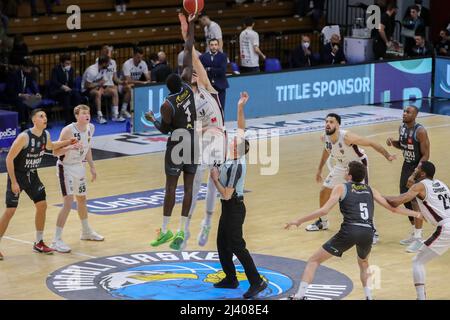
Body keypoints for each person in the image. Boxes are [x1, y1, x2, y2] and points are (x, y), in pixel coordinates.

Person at [285, 161, 421, 300]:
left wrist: (299, 221)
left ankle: (300, 296)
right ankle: (369, 296)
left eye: (346, 170)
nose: (344, 172)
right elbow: (393, 209)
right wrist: (416, 214)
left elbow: (324, 210)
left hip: (349, 230)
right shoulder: (370, 189)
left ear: (349, 176)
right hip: (368, 232)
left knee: (313, 261)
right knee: (364, 263)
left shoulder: (341, 187)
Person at [305, 113, 396, 246]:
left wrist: (387, 155)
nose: (328, 124)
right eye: (326, 122)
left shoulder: (347, 137)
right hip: (342, 166)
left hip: (358, 165)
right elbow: (327, 150)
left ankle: (372, 230)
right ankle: (322, 222)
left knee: (363, 197)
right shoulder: (324, 137)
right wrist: (319, 169)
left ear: (338, 125)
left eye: (331, 122)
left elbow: (371, 143)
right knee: (324, 190)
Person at [210, 91, 268, 299]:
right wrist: (240, 107)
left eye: (234, 142)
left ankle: (257, 281)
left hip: (234, 206)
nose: (232, 140)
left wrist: (215, 178)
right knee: (221, 242)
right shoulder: (236, 151)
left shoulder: (236, 165)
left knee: (236, 245)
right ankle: (231, 278)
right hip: (229, 208)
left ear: (237, 149)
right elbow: (242, 128)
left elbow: (226, 195)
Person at [147, 13, 198, 251]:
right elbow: (188, 51)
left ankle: (165, 230)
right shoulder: (188, 85)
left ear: (167, 88)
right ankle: (182, 230)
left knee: (170, 188)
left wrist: (151, 120)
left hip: (177, 141)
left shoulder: (166, 105)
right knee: (188, 189)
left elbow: (164, 128)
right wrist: (191, 23)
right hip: (193, 141)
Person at [0, 109, 79, 260]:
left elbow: (51, 146)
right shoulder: (24, 137)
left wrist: (68, 142)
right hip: (17, 176)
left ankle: (39, 242)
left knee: (42, 205)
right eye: (41, 116)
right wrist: (14, 182)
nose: (45, 118)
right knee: (10, 211)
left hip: (32, 175)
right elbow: (9, 159)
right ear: (34, 120)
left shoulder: (45, 135)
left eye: (46, 116)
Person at [384, 161, 450, 300]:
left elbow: (397, 201)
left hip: (446, 227)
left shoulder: (420, 186)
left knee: (417, 262)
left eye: (418, 168)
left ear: (423, 173)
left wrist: (376, 196)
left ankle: (421, 298)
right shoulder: (441, 184)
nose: (415, 169)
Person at [50, 104, 104, 253]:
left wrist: (92, 167)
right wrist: (69, 147)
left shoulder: (91, 128)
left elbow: (87, 148)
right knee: (68, 202)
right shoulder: (68, 130)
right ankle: (56, 240)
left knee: (82, 199)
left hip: (79, 166)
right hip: (65, 167)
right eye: (83, 113)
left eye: (88, 113)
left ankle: (86, 231)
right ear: (76, 116)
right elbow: (55, 152)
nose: (87, 115)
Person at [386, 106, 430, 252]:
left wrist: (415, 174)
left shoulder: (420, 131)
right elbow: (404, 145)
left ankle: (419, 238)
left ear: (416, 115)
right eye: (404, 111)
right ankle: (414, 231)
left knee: (414, 200)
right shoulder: (402, 128)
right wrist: (393, 142)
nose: (405, 113)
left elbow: (425, 155)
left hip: (418, 168)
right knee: (405, 198)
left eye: (408, 112)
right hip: (406, 165)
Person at [81, 55, 123, 124]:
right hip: (86, 90)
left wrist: (100, 87)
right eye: (108, 63)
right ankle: (99, 116)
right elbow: (86, 86)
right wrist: (98, 85)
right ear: (103, 63)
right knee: (98, 93)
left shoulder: (104, 69)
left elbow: (103, 81)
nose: (109, 65)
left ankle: (115, 115)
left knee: (114, 91)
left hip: (98, 87)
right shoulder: (92, 71)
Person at [5, 59, 41, 131]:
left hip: (24, 97)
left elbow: (32, 86)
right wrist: (21, 95)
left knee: (36, 101)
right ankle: (23, 124)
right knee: (21, 103)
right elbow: (10, 90)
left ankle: (37, 122)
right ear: (22, 67)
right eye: (27, 68)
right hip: (13, 97)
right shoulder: (13, 75)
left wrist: (37, 93)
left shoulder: (29, 75)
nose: (29, 70)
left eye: (30, 69)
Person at [96, 45, 129, 120]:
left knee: (116, 88)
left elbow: (115, 78)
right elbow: (99, 76)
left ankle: (115, 113)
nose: (108, 52)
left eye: (109, 51)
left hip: (111, 86)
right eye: (106, 50)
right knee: (114, 90)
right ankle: (116, 115)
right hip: (102, 86)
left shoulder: (113, 62)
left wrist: (122, 82)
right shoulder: (98, 60)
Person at [49, 54, 82, 126]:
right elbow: (54, 82)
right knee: (66, 96)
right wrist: (63, 86)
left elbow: (71, 83)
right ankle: (68, 120)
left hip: (68, 90)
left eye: (70, 63)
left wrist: (69, 88)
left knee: (77, 96)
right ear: (62, 63)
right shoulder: (55, 70)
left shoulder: (71, 70)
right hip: (57, 91)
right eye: (67, 63)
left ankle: (76, 118)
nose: (69, 65)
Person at [200, 38, 229, 111]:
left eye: (216, 45)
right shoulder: (203, 57)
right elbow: (202, 71)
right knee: (210, 109)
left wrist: (209, 69)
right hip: (208, 86)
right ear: (209, 46)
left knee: (221, 108)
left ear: (218, 46)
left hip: (220, 86)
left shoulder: (223, 56)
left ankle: (221, 122)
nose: (214, 47)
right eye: (212, 45)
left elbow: (223, 70)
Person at [121, 47, 151, 119]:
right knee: (130, 88)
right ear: (133, 55)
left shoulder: (143, 63)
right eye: (138, 57)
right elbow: (128, 80)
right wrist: (142, 82)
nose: (139, 59)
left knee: (148, 86)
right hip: (123, 85)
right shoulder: (127, 64)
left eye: (141, 57)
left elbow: (148, 78)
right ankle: (123, 110)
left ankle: (143, 110)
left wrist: (148, 81)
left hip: (136, 84)